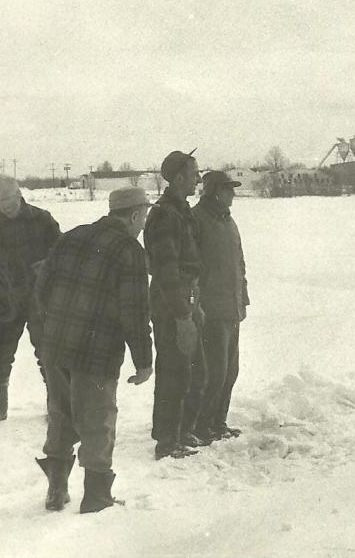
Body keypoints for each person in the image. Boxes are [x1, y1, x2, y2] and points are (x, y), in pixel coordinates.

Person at [34, 187, 154, 513]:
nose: (143, 223)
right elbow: (135, 312)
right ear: (132, 215)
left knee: (61, 414)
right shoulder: (130, 251)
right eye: (143, 216)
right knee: (98, 420)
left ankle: (56, 488)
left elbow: (42, 288)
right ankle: (97, 497)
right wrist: (144, 361)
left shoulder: (73, 236)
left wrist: (57, 326)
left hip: (56, 347)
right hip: (96, 355)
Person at [0, 175, 61, 425]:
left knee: (48, 352)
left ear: (19, 194)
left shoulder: (42, 219)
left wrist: (47, 266)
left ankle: (55, 406)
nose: (4, 206)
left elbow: (63, 252)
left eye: (8, 200)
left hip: (40, 298)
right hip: (5, 300)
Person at [145, 149, 207, 460]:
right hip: (172, 301)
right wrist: (182, 315)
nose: (198, 178)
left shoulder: (182, 210)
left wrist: (195, 306)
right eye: (194, 173)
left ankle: (181, 430)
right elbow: (167, 270)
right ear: (180, 177)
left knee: (194, 368)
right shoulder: (165, 215)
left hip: (187, 298)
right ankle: (167, 441)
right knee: (174, 369)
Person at [191, 170, 250, 442]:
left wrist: (243, 298)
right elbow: (190, 267)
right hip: (210, 310)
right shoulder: (197, 220)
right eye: (228, 189)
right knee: (213, 372)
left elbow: (239, 263)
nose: (233, 194)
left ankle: (218, 422)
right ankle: (201, 425)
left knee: (230, 371)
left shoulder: (229, 221)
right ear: (213, 191)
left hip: (231, 308)